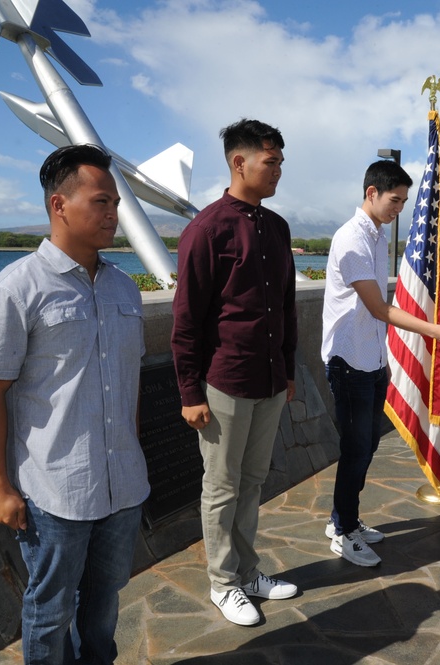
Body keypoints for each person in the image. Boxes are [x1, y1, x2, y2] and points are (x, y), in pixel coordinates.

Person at [0, 144, 150, 663]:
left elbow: (127, 382)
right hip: (55, 491)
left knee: (104, 602)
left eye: (115, 202)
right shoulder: (12, 291)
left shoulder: (124, 288)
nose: (114, 214)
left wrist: (132, 452)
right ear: (59, 205)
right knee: (48, 611)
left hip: (122, 486)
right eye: (101, 202)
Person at [171, 118, 298, 627]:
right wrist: (189, 393)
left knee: (252, 480)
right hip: (224, 382)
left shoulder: (278, 227)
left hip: (269, 380)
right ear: (238, 162)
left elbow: (285, 307)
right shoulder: (206, 229)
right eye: (272, 162)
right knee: (221, 486)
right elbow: (186, 319)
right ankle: (224, 583)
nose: (278, 172)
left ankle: (248, 571)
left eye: (281, 163)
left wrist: (288, 370)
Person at [321, 159, 440, 567]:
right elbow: (378, 309)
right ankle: (343, 530)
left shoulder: (376, 234)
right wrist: (437, 331)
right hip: (348, 362)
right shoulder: (352, 238)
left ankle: (343, 518)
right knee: (356, 449)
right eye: (395, 199)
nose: (400, 209)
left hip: (370, 360)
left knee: (368, 444)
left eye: (406, 201)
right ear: (371, 192)